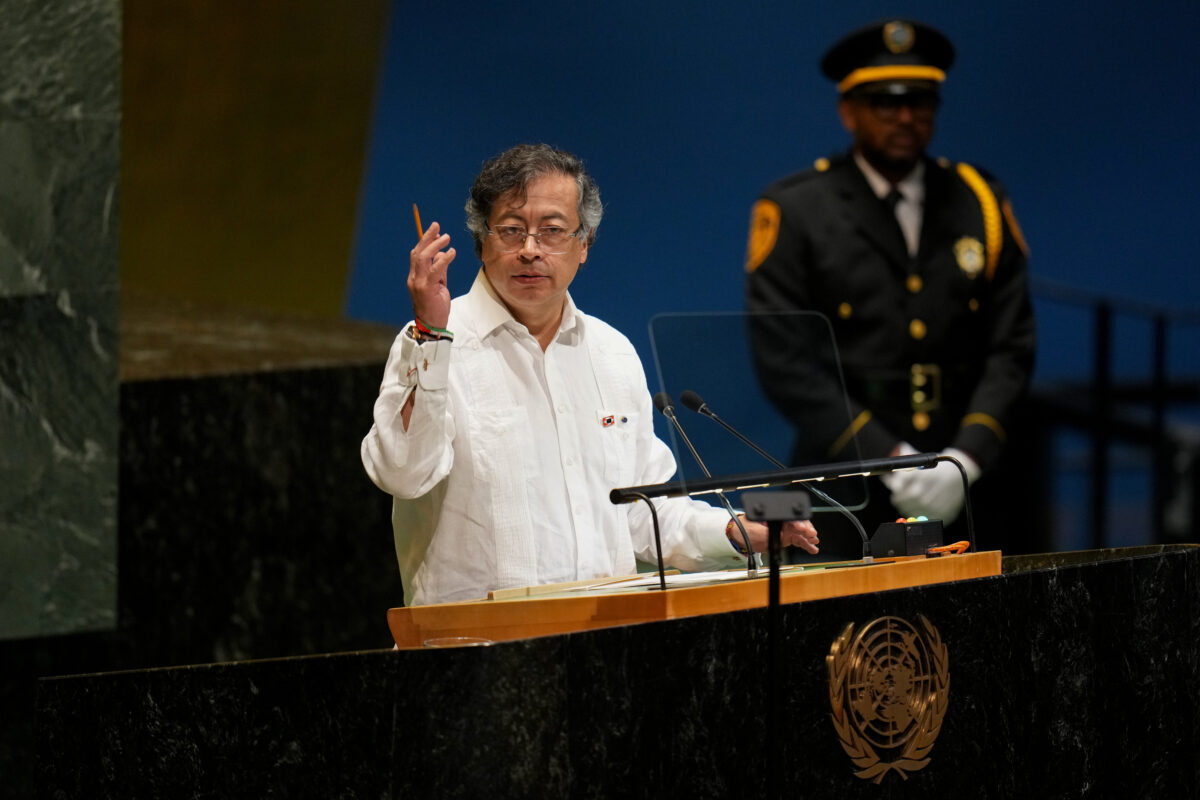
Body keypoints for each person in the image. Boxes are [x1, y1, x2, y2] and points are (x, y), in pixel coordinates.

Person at [363, 143, 819, 605]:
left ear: (584, 246)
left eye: (552, 231)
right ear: (482, 242)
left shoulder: (612, 352)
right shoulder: (430, 340)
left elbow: (646, 513)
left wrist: (736, 530)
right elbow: (401, 474)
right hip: (475, 648)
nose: (530, 250)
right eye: (511, 230)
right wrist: (432, 334)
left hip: (602, 641)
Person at [744, 20, 1036, 553]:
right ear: (847, 111)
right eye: (884, 103)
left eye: (921, 102)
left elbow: (1011, 345)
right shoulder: (797, 208)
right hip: (843, 479)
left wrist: (967, 457)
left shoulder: (981, 200)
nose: (905, 117)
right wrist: (891, 457)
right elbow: (784, 358)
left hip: (969, 476)